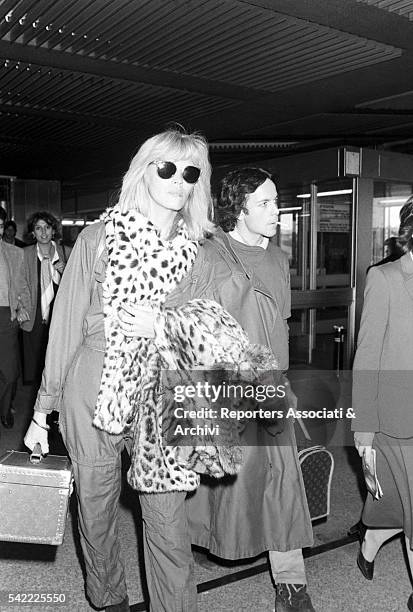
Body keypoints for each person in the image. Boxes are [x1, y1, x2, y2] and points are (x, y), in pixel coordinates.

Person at [23, 129, 273, 612]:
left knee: (167, 520)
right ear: (144, 171)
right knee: (95, 510)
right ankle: (109, 597)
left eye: (191, 172)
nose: (180, 181)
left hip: (163, 396)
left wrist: (163, 322)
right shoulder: (97, 239)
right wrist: (41, 412)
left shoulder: (197, 254)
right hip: (92, 388)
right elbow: (65, 328)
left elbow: (212, 331)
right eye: (168, 168)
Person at [186, 167, 315, 612]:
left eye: (276, 201)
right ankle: (193, 547)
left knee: (282, 484)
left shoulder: (280, 260)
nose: (277, 211)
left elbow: (278, 327)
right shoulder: (208, 256)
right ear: (237, 209)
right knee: (218, 485)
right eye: (264, 203)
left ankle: (291, 583)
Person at [352, 195, 413, 612]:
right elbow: (368, 357)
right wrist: (364, 430)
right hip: (400, 419)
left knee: (396, 502)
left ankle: (371, 539)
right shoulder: (387, 278)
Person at [20, 212, 68, 386]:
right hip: (34, 315)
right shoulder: (25, 254)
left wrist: (66, 273)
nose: (43, 232)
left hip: (59, 316)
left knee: (57, 364)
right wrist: (21, 308)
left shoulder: (66, 253)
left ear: (53, 230)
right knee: (34, 369)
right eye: (38, 228)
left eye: (47, 227)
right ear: (33, 233)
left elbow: (79, 285)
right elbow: (19, 284)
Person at [0, 208, 29, 430]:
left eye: (0, 226)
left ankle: (4, 407)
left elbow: (21, 286)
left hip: (6, 316)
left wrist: (22, 308)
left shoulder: (14, 253)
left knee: (10, 373)